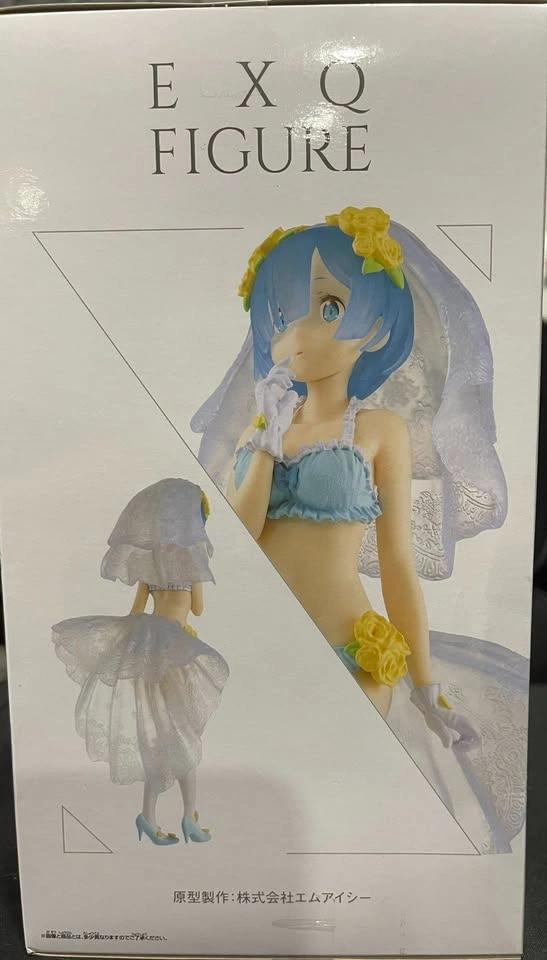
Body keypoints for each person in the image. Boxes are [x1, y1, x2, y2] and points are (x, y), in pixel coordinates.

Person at [191, 206, 528, 854]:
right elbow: (240, 540)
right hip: (262, 645)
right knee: (263, 798)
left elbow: (398, 562)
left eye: (328, 308)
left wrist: (425, 685)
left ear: (376, 325)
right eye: (281, 315)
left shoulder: (378, 431)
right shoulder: (259, 432)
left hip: (351, 648)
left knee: (336, 795)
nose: (300, 333)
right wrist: (264, 440)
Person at [52, 478, 229, 847]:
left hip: (150, 650)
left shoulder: (151, 569)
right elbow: (197, 609)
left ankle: (152, 816)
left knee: (168, 738)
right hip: (177, 650)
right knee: (180, 737)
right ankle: (186, 817)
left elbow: (135, 612)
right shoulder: (190, 565)